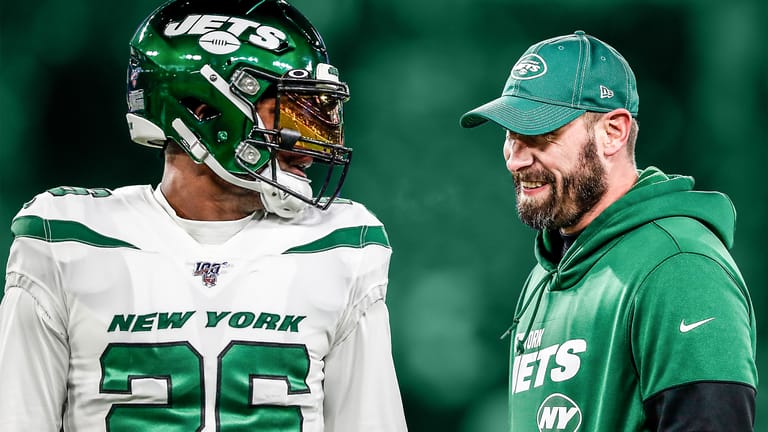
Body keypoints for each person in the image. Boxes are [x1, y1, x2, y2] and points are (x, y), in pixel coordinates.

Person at [0, 0, 408, 430]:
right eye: (292, 114)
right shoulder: (68, 240)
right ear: (204, 111)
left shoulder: (340, 246)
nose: (307, 148)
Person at [460, 31, 757, 431]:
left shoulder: (679, 266)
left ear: (613, 132)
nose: (516, 159)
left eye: (539, 134)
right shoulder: (544, 276)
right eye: (510, 135)